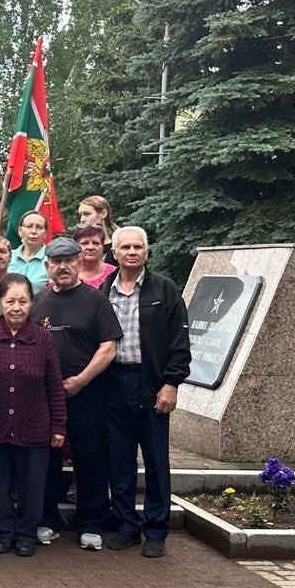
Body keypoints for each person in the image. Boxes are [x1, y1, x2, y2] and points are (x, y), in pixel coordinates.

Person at [102, 226, 192, 559]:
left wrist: (171, 383)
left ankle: (155, 529)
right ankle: (127, 525)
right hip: (113, 383)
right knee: (119, 459)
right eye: (125, 247)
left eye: (137, 247)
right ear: (114, 253)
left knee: (155, 460)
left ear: (146, 252)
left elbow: (179, 341)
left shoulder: (164, 289)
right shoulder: (104, 291)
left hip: (151, 383)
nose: (131, 252)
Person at [29, 237, 122, 551]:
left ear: (79, 263)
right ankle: (47, 519)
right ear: (47, 266)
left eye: (69, 260)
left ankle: (91, 522)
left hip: (87, 394)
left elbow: (109, 347)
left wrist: (81, 380)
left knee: (90, 458)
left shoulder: (96, 300)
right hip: (46, 398)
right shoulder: (37, 301)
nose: (63, 267)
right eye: (56, 262)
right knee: (46, 460)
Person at [0, 273, 67, 557]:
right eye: (10, 301)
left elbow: (54, 384)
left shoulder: (43, 338)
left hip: (34, 424)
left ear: (31, 304)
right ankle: (4, 531)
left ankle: (27, 533)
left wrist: (58, 426)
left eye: (23, 301)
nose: (16, 307)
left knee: (32, 484)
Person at [9, 210, 50, 292]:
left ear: (45, 233)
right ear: (20, 230)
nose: (34, 231)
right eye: (29, 226)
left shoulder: (51, 259)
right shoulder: (8, 257)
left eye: (39, 227)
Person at [76, 221, 117, 289]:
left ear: (103, 246)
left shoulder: (115, 273)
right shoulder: (69, 273)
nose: (90, 247)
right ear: (76, 246)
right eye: (85, 243)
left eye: (96, 243)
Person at [78, 194, 116, 263]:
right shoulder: (77, 249)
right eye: (81, 215)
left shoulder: (116, 250)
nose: (82, 219)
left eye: (87, 214)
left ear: (103, 213)